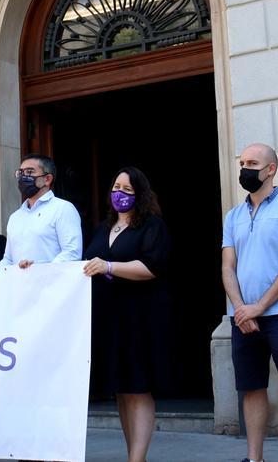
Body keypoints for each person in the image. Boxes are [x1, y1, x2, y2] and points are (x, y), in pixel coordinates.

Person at [221, 144, 278, 462]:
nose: (245, 169)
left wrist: (259, 306)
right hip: (244, 316)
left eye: (253, 163)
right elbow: (227, 266)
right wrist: (240, 308)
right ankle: (255, 458)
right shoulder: (233, 215)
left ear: (271, 168)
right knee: (251, 387)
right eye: (243, 163)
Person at [81, 167, 172, 462]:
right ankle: (133, 453)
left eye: (127, 189)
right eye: (116, 187)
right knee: (121, 390)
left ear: (140, 194)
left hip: (138, 318)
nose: (119, 193)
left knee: (138, 387)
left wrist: (109, 267)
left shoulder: (151, 226)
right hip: (108, 319)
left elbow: (151, 268)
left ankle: (137, 458)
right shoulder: (103, 227)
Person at [0, 154, 82, 273]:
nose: (23, 177)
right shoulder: (15, 217)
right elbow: (8, 259)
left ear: (47, 179)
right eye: (21, 173)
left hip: (51, 286)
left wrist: (39, 270)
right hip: (20, 287)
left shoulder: (63, 209)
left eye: (29, 172)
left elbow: (72, 252)